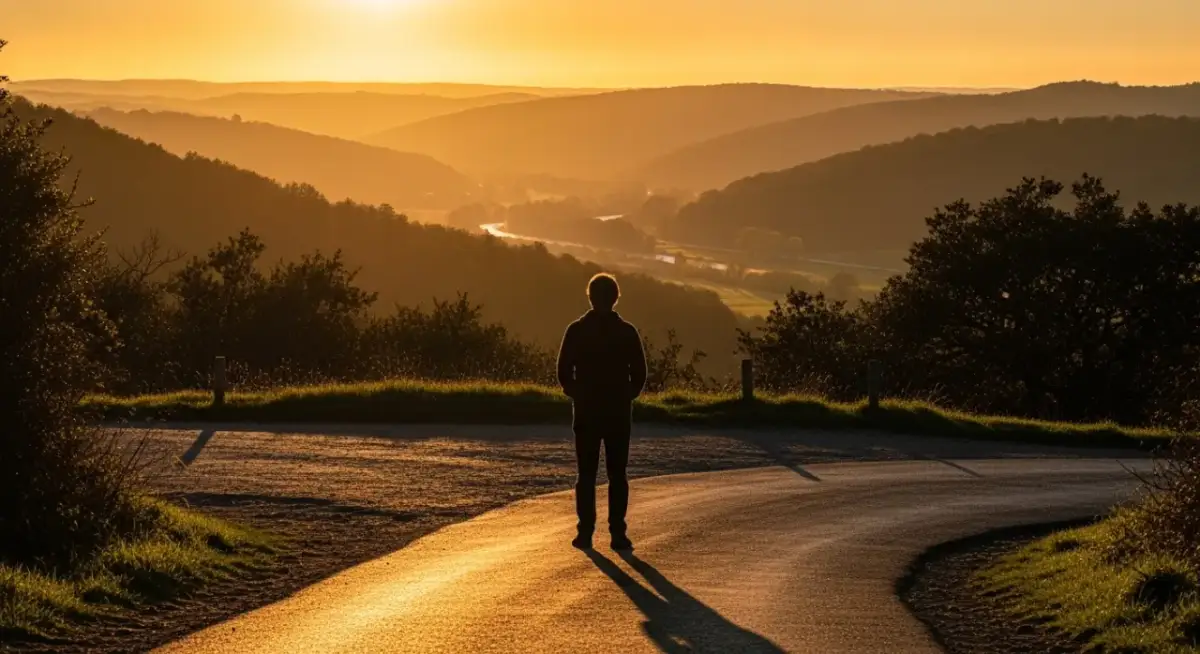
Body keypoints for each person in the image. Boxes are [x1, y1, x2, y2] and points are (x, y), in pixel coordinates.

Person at [557, 273, 647, 551]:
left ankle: (585, 532)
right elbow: (640, 374)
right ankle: (618, 533)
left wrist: (579, 394)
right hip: (618, 413)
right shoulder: (627, 332)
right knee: (617, 474)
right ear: (616, 297)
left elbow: (563, 372)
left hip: (586, 412)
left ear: (590, 297)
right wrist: (624, 396)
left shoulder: (576, 330)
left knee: (586, 474)